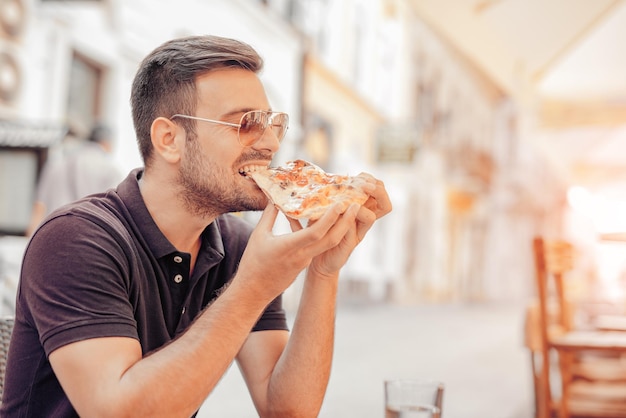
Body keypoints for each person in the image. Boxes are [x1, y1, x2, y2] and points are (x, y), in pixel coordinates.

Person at [1, 35, 392, 417]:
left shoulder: (237, 246)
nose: (272, 143)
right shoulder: (75, 240)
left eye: (274, 123)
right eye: (246, 123)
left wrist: (323, 269)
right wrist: (254, 285)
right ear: (169, 139)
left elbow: (286, 407)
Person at [26, 122, 123, 235]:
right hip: (85, 238)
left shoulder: (56, 164)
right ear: (107, 144)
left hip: (51, 234)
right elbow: (112, 212)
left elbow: (39, 207)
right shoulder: (110, 169)